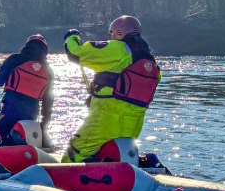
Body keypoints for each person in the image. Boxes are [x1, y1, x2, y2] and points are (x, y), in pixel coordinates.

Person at [62, 15, 160, 164]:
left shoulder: (117, 48)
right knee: (117, 155)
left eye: (113, 34)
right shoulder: (149, 60)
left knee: (73, 156)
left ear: (119, 33)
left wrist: (72, 37)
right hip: (133, 126)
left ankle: (78, 183)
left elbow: (76, 53)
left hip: (105, 120)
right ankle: (146, 165)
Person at [0, 34, 54, 147]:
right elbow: (48, 104)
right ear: (44, 50)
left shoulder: (15, 59)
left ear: (27, 46)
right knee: (21, 136)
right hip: (31, 115)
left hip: (10, 111)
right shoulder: (49, 71)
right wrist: (43, 126)